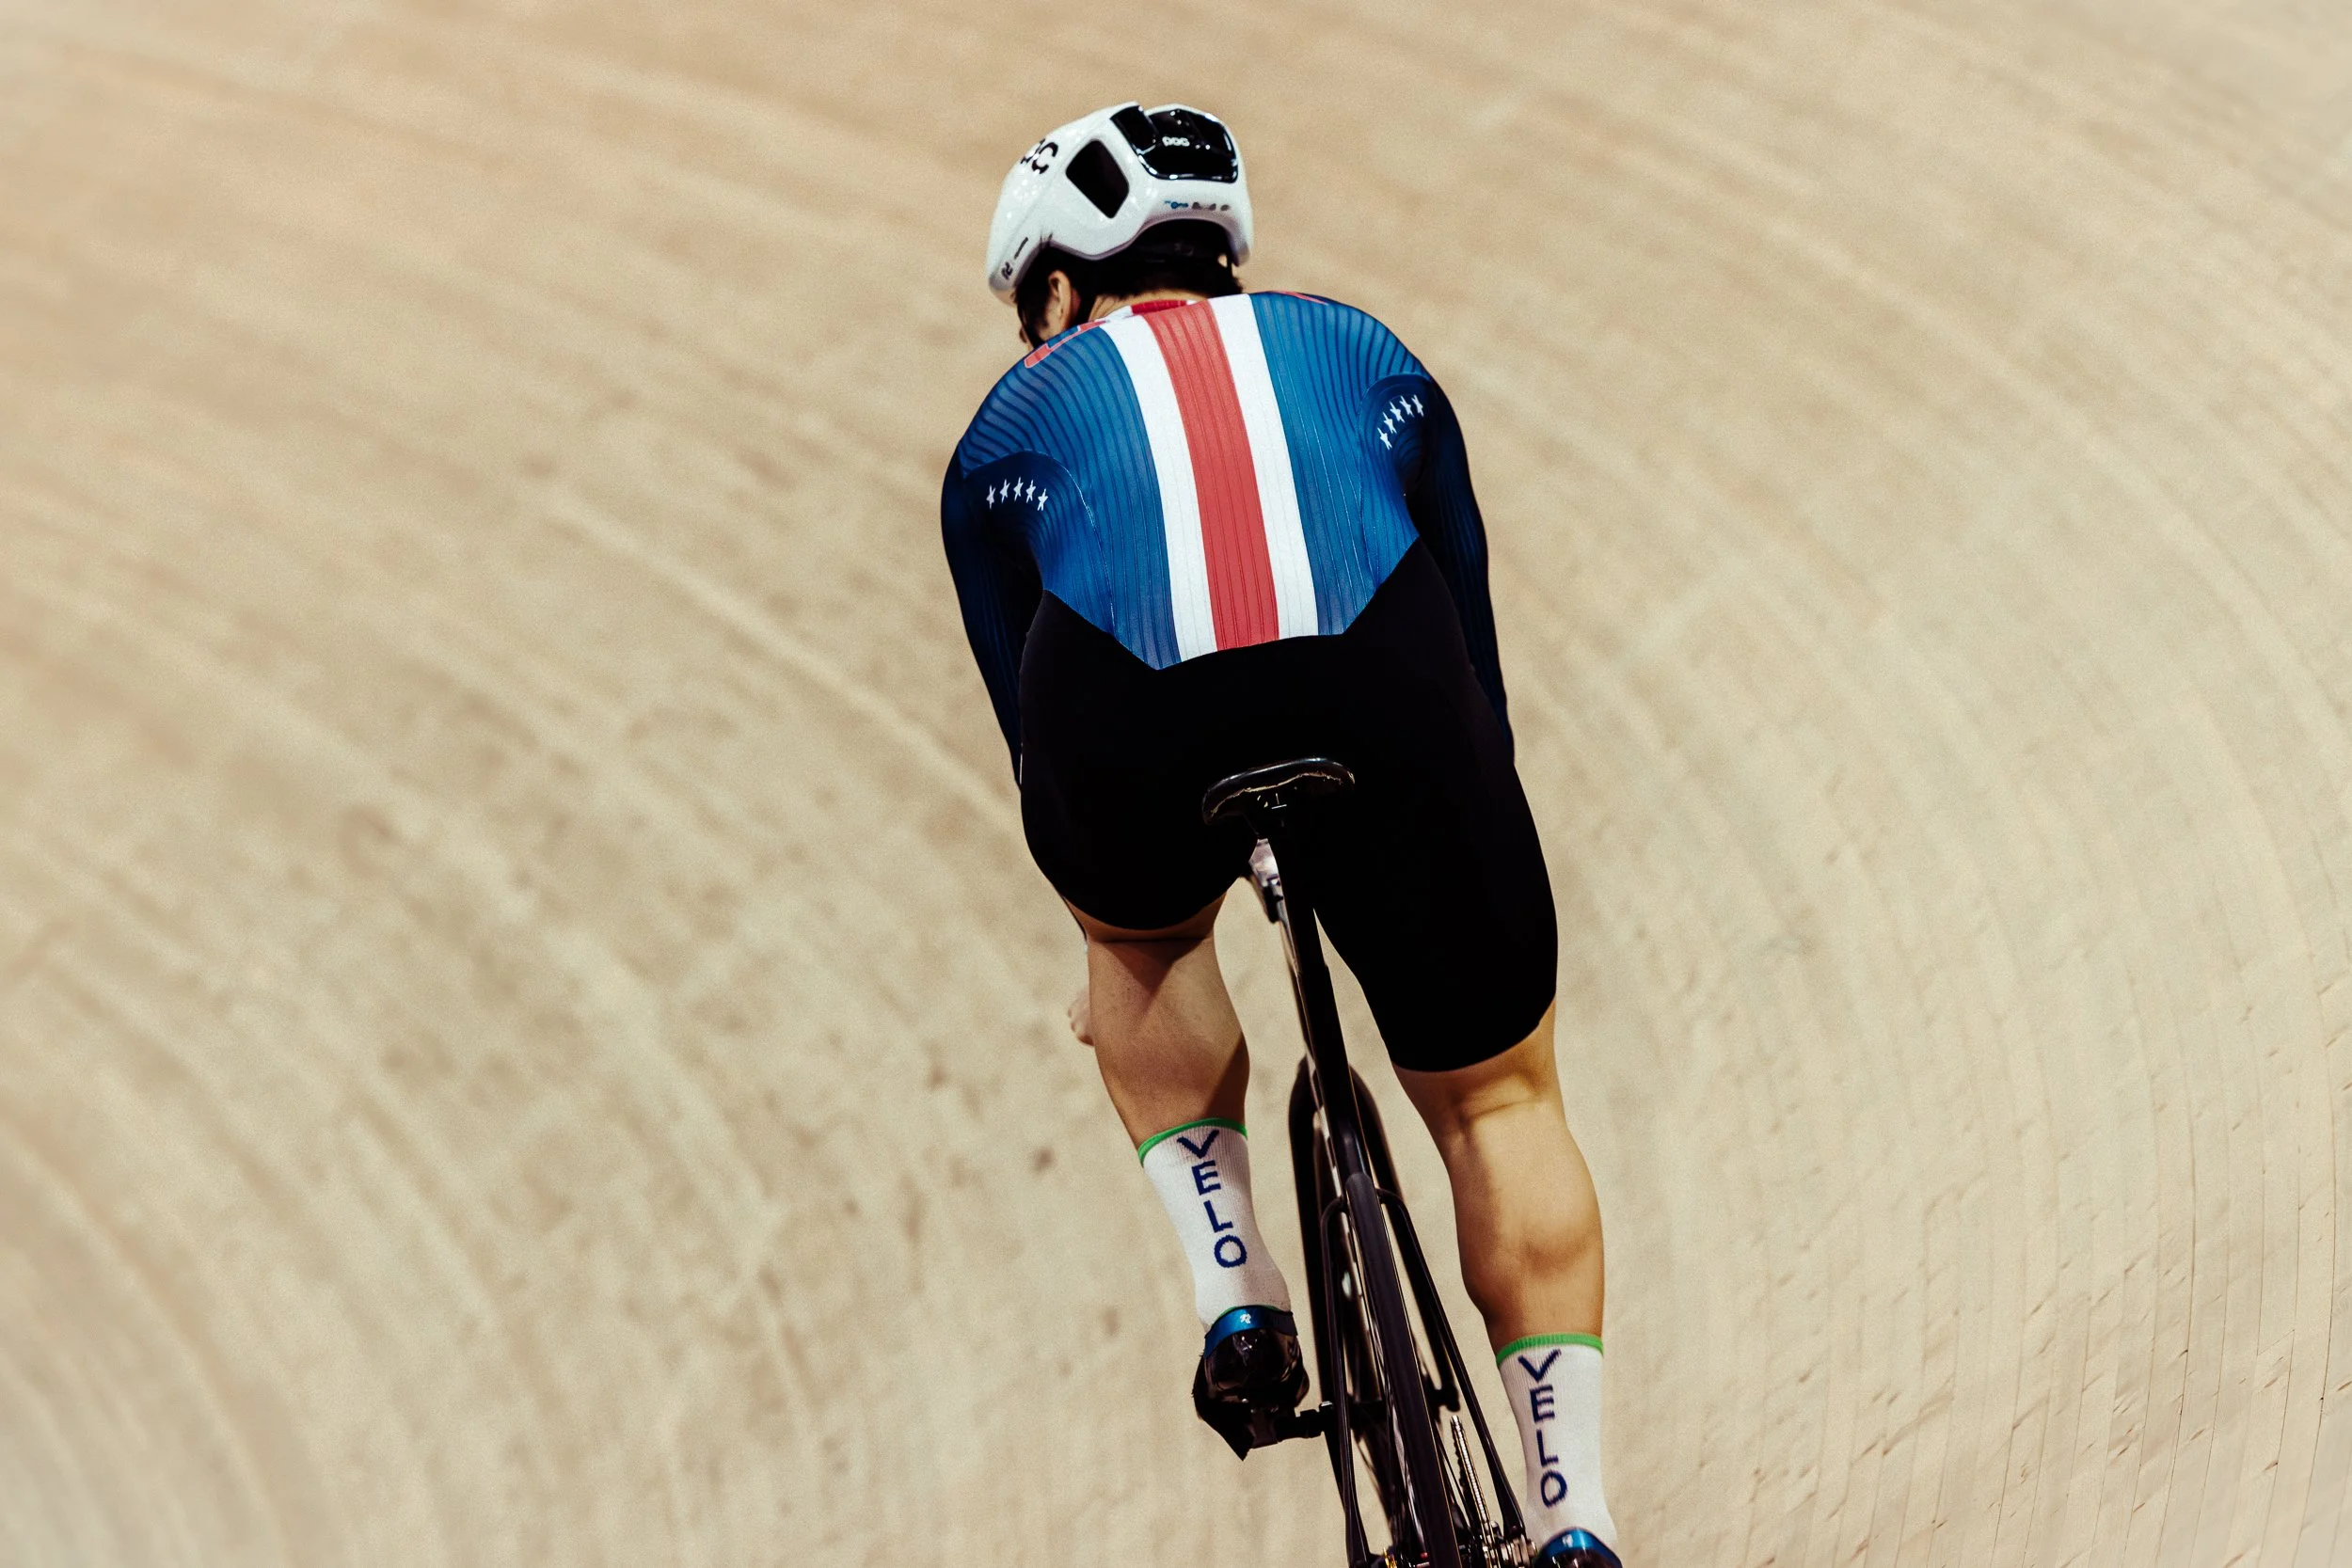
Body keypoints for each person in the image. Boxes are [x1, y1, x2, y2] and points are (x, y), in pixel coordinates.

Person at [941, 102, 1623, 1567]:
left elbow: (1027, 741)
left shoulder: (1005, 432)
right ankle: (1576, 1524)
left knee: (1128, 933)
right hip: (1392, 696)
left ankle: (1237, 1287)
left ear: (1060, 287)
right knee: (1503, 1098)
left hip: (1132, 719)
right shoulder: (1370, 359)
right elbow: (1476, 666)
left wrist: (1124, 932)